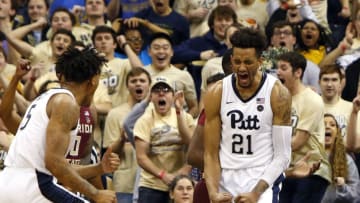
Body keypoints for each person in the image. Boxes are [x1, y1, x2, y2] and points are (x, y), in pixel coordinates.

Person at [0, 47, 119, 202]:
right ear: (93, 81)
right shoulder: (66, 103)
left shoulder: (43, 100)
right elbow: (54, 164)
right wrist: (96, 194)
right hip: (34, 186)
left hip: (8, 183)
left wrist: (99, 168)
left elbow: (7, 117)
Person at [203, 28, 292, 203]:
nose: (242, 67)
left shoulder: (278, 94)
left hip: (262, 179)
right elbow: (210, 153)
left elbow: (283, 156)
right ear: (231, 60)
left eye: (248, 62)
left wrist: (256, 193)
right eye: (237, 62)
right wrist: (213, 193)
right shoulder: (217, 92)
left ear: (260, 61)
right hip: (226, 179)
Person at [276, 51, 331, 202]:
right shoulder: (280, 99)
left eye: (283, 68)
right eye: (277, 67)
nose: (278, 71)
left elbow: (298, 141)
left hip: (312, 168)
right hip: (289, 168)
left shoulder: (311, 99)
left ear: (298, 72)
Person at [134, 76, 195, 203]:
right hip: (151, 185)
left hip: (180, 185)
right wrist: (163, 175)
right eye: (156, 91)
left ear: (173, 96)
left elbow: (194, 148)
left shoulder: (186, 117)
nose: (161, 93)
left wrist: (184, 171)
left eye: (166, 90)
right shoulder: (144, 120)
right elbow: (141, 157)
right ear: (151, 97)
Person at [321, 113, 360, 203]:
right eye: (323, 125)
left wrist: (342, 187)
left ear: (338, 133)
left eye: (332, 125)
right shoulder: (309, 158)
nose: (327, 127)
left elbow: (356, 196)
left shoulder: (347, 160)